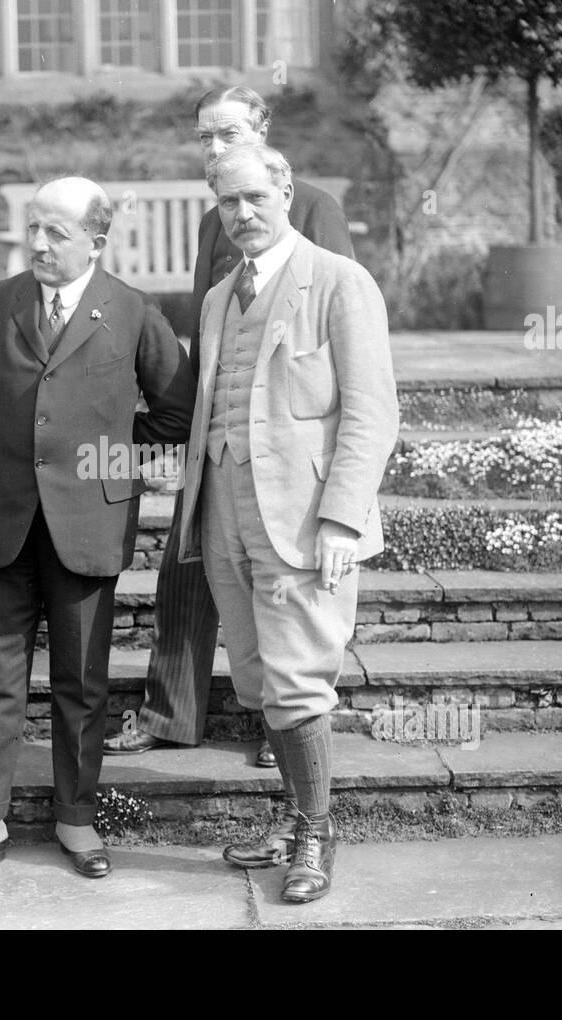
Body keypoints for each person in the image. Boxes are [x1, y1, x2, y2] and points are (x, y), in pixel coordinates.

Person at [0, 176, 195, 882]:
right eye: (34, 229)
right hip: (4, 517)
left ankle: (76, 818)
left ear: (96, 243)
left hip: (89, 521)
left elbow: (175, 411)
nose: (39, 244)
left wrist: (104, 443)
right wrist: (20, 442)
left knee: (82, 680)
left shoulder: (132, 311)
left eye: (57, 233)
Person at [105, 84, 355, 768]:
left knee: (281, 594)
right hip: (214, 438)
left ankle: (286, 730)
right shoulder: (214, 221)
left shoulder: (313, 208)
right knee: (184, 569)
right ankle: (169, 713)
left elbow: (335, 336)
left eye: (228, 133)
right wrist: (162, 428)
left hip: (284, 447)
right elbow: (203, 332)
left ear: (265, 131)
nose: (214, 148)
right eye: (205, 139)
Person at [176, 144, 397, 903]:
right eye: (226, 203)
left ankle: (317, 834)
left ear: (287, 191)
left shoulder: (339, 282)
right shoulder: (216, 299)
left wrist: (340, 519)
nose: (241, 215)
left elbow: (372, 413)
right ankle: (299, 814)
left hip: (305, 520)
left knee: (300, 681)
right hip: (225, 517)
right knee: (260, 680)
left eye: (254, 199)